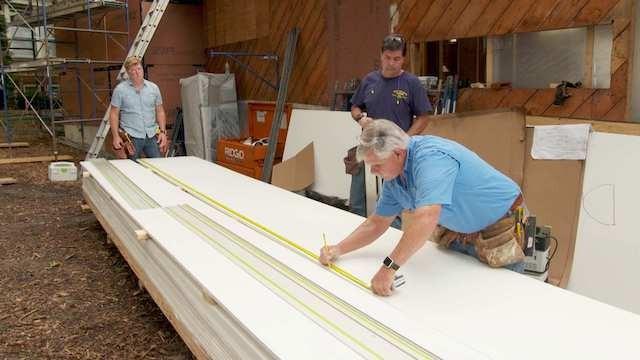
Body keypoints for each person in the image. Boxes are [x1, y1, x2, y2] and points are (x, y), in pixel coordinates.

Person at [322, 120, 526, 296]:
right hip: (461, 229)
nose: (374, 171)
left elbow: (427, 217)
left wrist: (388, 268)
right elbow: (376, 223)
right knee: (462, 288)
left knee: (503, 293)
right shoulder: (395, 179)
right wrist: (338, 249)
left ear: (398, 153)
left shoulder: (431, 159)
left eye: (377, 165)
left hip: (501, 224)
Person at [347, 34, 432, 217]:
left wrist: (405, 140)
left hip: (394, 153)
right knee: (357, 202)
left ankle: (389, 235)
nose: (391, 63)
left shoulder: (411, 83)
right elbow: (354, 106)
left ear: (403, 59)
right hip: (369, 147)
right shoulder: (370, 80)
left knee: (391, 208)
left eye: (396, 59)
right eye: (387, 58)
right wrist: (360, 118)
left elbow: (424, 117)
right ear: (381, 55)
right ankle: (358, 231)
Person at [110, 56, 167, 160]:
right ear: (128, 72)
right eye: (133, 70)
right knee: (131, 169)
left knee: (159, 165)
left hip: (152, 135)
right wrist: (115, 136)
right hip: (131, 138)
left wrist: (163, 132)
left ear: (142, 69)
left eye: (139, 69)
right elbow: (114, 114)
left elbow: (160, 111)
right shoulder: (120, 90)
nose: (137, 72)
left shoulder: (153, 88)